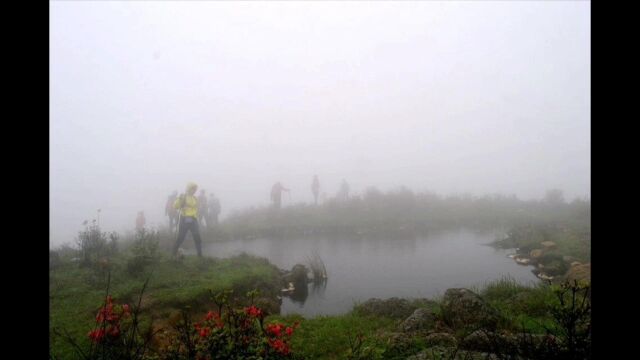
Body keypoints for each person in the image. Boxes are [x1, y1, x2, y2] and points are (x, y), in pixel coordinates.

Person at [173, 182, 203, 257]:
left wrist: (197, 214)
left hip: (193, 219)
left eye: (194, 189)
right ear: (189, 189)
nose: (194, 190)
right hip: (184, 219)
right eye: (192, 189)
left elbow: (196, 208)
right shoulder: (183, 197)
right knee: (181, 238)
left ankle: (200, 255)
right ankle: (173, 253)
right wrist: (180, 199)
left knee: (197, 237)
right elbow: (176, 206)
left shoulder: (195, 198)